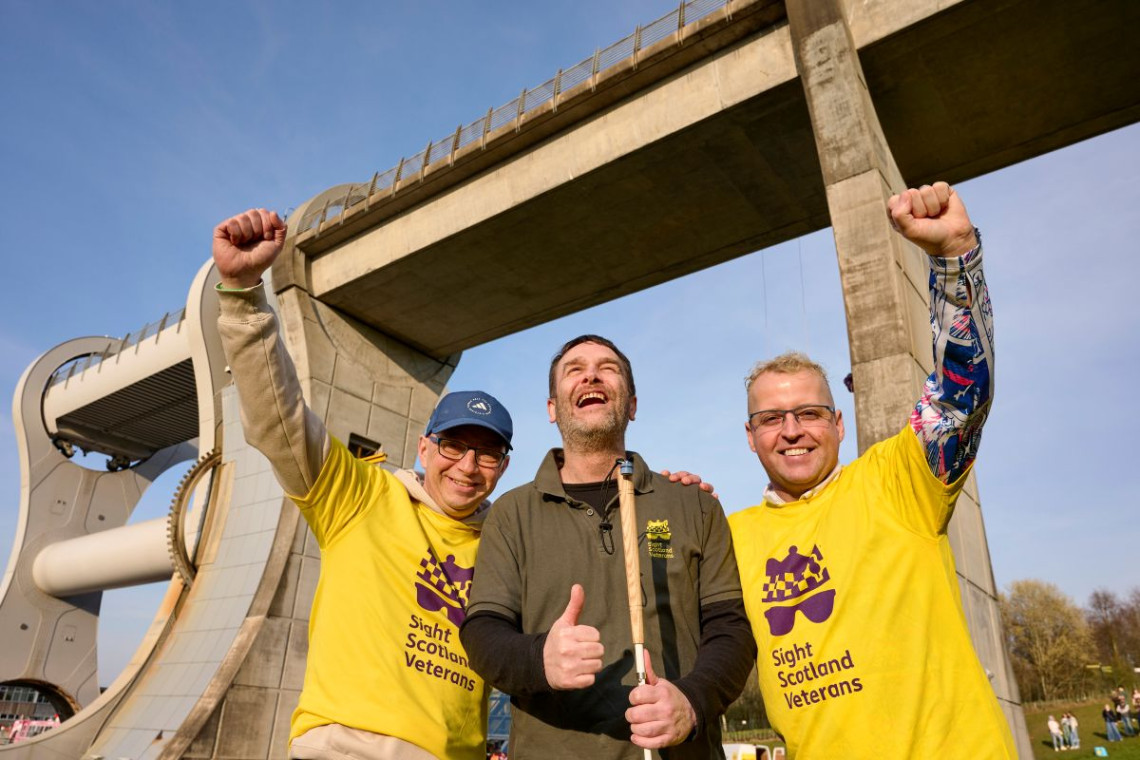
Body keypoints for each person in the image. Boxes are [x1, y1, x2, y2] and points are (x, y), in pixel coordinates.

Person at [213, 208, 516, 760]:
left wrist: (659, 497)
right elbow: (276, 417)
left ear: (503, 467)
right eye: (453, 446)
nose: (468, 466)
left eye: (488, 453)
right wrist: (241, 293)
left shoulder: (508, 546)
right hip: (342, 748)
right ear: (424, 447)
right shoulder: (359, 496)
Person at [729, 183, 1017, 758]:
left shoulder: (896, 480)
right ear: (751, 436)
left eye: (808, 413)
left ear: (838, 423)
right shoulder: (730, 535)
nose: (791, 430)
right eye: (771, 418)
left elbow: (962, 394)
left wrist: (956, 257)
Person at [461, 334, 756, 758]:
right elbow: (482, 633)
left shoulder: (695, 504)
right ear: (551, 408)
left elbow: (732, 632)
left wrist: (692, 703)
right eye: (574, 369)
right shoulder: (511, 513)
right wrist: (538, 658)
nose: (591, 375)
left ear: (632, 405)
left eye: (608, 368)